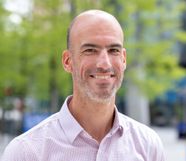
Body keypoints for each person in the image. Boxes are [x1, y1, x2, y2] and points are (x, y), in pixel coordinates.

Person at [1, 9, 165, 161]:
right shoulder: (27, 152)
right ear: (67, 61)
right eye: (90, 50)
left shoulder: (148, 145)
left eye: (113, 50)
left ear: (123, 59)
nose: (104, 63)